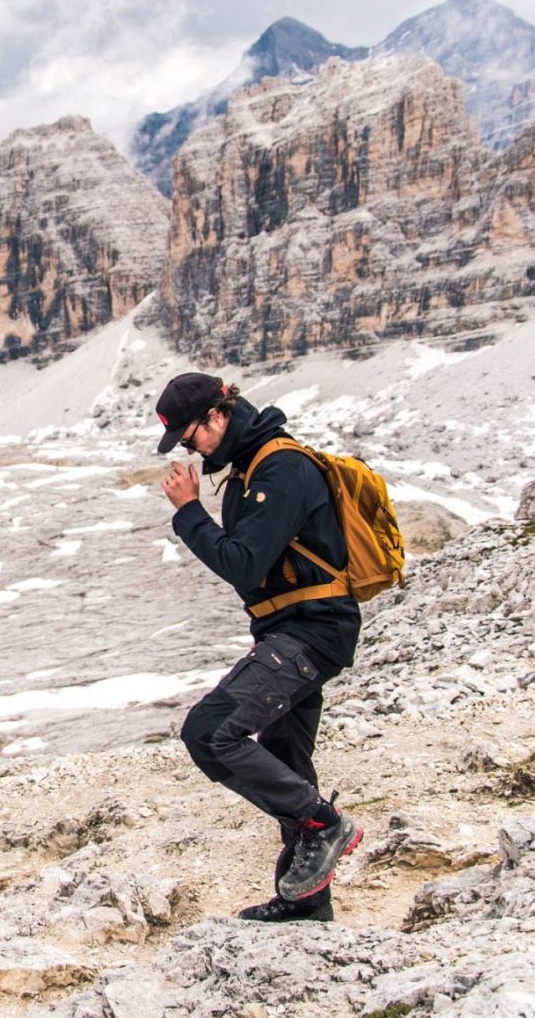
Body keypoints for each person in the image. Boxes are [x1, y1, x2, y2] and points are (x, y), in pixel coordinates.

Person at [155, 371, 363, 922]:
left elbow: (243, 564)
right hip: (289, 631)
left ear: (218, 416)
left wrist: (188, 513)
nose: (188, 446)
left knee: (209, 733)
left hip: (312, 631)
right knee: (284, 758)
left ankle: (324, 823)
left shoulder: (281, 466)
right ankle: (305, 903)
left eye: (189, 434)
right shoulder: (251, 469)